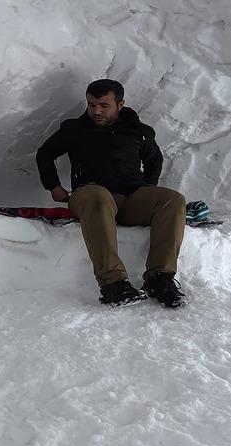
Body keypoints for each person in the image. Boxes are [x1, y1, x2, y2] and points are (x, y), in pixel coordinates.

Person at [36, 79, 187, 308]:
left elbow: (154, 159)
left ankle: (160, 278)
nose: (96, 111)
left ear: (120, 104)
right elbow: (44, 154)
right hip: (90, 198)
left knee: (173, 200)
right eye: (91, 105)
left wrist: (149, 186)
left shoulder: (139, 132)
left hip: (130, 198)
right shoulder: (74, 130)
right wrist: (53, 186)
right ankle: (113, 284)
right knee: (98, 194)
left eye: (103, 105)